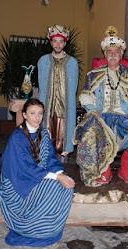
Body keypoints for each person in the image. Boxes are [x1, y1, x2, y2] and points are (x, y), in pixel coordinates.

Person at [74, 26, 128, 187]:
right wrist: (91, 109)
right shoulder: (94, 75)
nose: (112, 55)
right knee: (92, 127)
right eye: (109, 52)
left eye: (116, 52)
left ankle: (125, 168)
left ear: (121, 55)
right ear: (105, 54)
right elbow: (85, 94)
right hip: (101, 115)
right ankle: (105, 170)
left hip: (125, 117)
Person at [0, 98, 75, 247]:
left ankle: (49, 227)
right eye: (32, 113)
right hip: (17, 184)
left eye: (40, 113)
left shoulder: (43, 134)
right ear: (24, 115)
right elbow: (24, 168)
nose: (37, 117)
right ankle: (31, 228)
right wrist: (56, 177)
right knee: (54, 186)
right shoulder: (17, 138)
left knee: (67, 187)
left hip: (37, 175)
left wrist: (61, 174)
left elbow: (51, 158)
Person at [37, 24, 79, 157]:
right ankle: (45, 150)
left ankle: (64, 149)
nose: (58, 44)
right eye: (55, 41)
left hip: (64, 102)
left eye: (61, 41)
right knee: (47, 123)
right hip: (47, 101)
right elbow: (40, 83)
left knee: (63, 125)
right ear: (51, 42)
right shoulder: (43, 61)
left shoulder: (72, 62)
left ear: (65, 43)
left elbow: (73, 87)